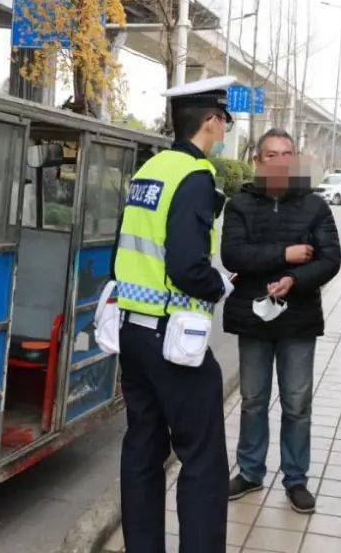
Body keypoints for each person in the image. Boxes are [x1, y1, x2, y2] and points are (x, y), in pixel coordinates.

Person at [114, 76, 237, 553]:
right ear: (209, 120)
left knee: (142, 447)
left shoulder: (150, 170)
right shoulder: (194, 175)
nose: (225, 128)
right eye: (224, 119)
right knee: (203, 457)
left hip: (134, 332)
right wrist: (219, 284)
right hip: (173, 340)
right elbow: (187, 266)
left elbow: (124, 250)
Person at [222, 128, 341, 514]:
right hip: (253, 319)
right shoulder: (239, 203)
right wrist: (285, 254)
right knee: (253, 400)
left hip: (298, 319)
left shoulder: (315, 206)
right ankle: (251, 471)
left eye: (287, 154)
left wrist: (297, 279)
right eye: (271, 155)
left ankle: (296, 478)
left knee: (296, 403)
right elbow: (233, 256)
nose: (280, 161)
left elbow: (330, 259)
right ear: (257, 161)